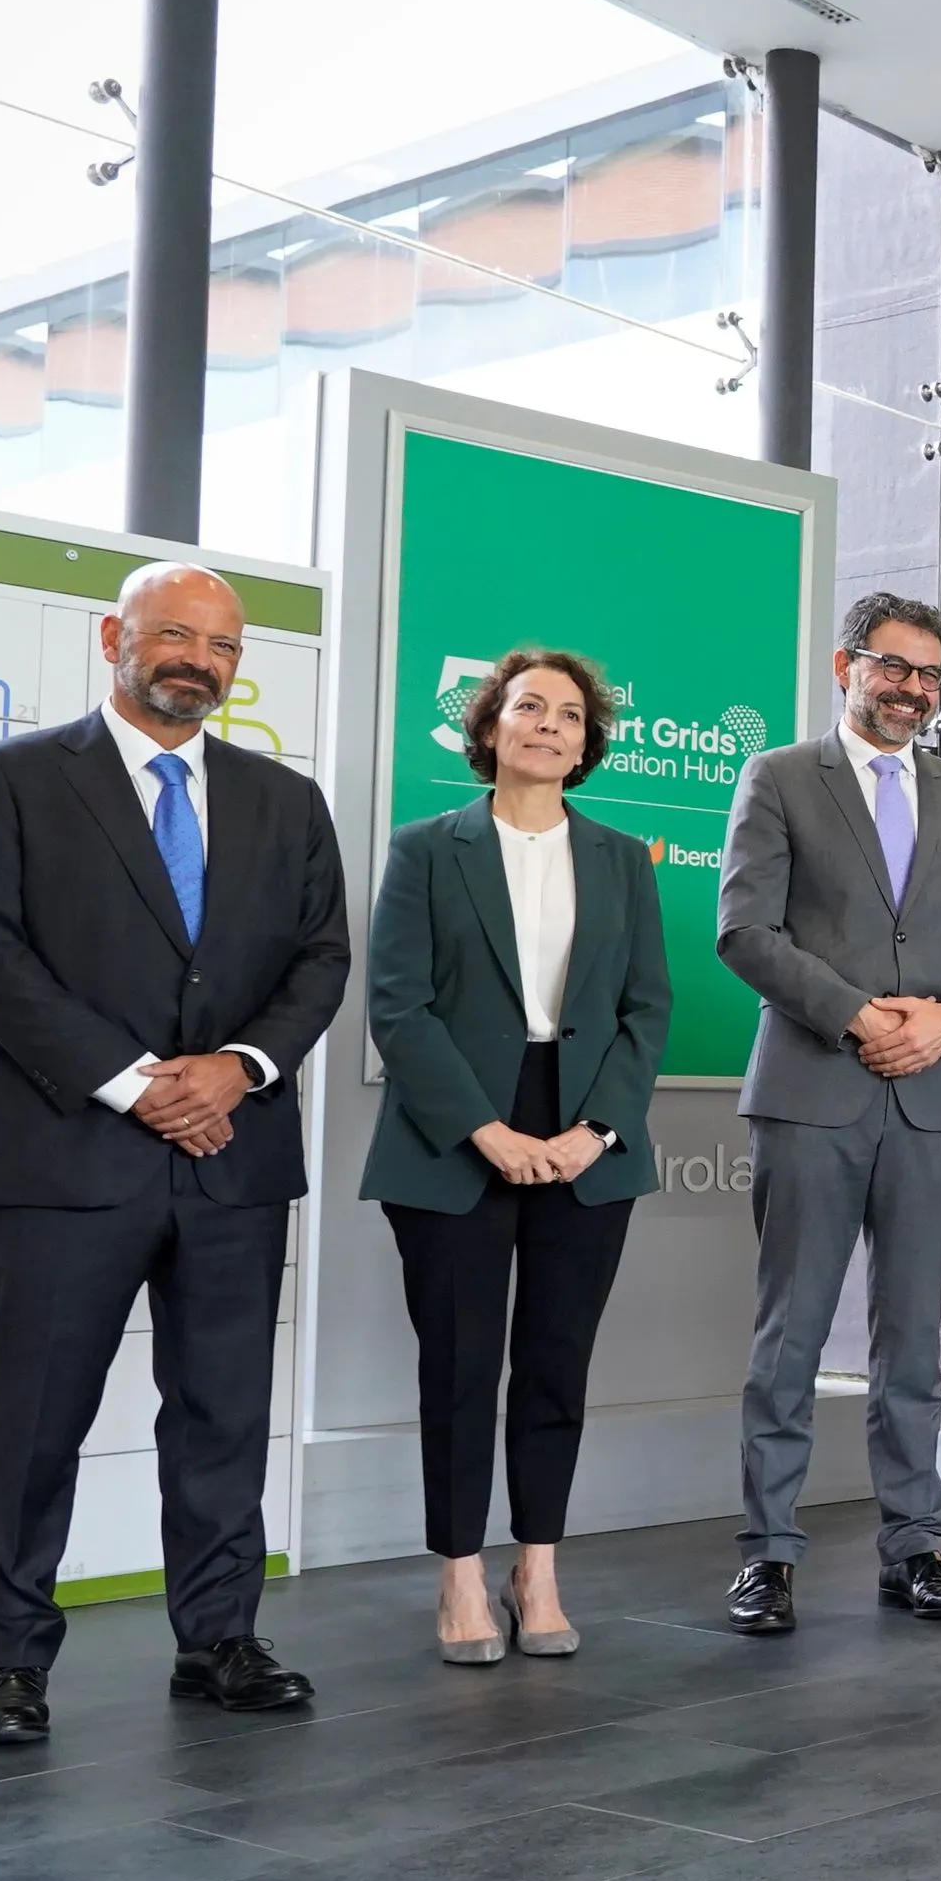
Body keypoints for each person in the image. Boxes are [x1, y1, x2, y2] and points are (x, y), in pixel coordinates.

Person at [0, 562, 349, 1748]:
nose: (198, 660)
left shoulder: (283, 798)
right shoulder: (9, 779)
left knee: (221, 1412)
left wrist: (239, 1069)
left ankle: (219, 1636)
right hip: (63, 1152)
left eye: (220, 645)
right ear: (116, 635)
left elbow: (319, 959)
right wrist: (138, 1084)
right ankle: (11, 1661)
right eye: (174, 634)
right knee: (33, 1419)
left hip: (235, 1152)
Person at [715, 591, 941, 1637]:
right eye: (895, 667)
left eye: (930, 675)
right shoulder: (781, 777)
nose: (913, 689)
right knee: (791, 1330)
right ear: (846, 664)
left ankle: (915, 1546)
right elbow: (745, 929)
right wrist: (857, 1016)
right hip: (813, 1089)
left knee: (916, 1338)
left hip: (932, 1096)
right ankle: (768, 1552)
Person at [360, 648, 670, 1665]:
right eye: (528, 706)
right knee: (458, 1367)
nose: (549, 723)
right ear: (489, 726)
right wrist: (484, 1130)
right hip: (453, 1135)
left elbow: (645, 1007)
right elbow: (398, 1006)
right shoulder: (425, 847)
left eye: (570, 714)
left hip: (588, 1133)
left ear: (587, 744)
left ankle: (536, 1565)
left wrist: (596, 1129)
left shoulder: (623, 857)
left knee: (554, 1365)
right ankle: (459, 1573)